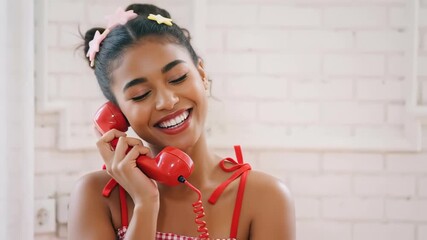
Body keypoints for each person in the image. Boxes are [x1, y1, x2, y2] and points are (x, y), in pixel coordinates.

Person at [68, 3, 295, 240]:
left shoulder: (266, 197)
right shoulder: (94, 196)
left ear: (202, 75)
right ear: (117, 113)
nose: (167, 101)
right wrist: (145, 203)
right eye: (140, 94)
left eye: (178, 78)